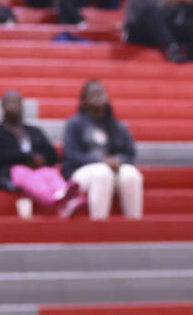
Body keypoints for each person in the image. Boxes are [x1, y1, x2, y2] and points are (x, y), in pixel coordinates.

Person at [61, 80, 143, 219]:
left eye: (100, 93)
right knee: (102, 173)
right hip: (83, 171)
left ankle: (134, 225)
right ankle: (99, 226)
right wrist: (100, 161)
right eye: (92, 94)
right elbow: (71, 155)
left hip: (114, 169)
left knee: (132, 175)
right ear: (84, 100)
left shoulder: (117, 125)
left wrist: (118, 160)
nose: (97, 96)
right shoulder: (75, 123)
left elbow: (130, 154)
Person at [0, 90, 80, 216]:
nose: (13, 106)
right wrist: (27, 157)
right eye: (9, 102)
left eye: (17, 102)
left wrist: (42, 159)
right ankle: (54, 201)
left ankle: (66, 197)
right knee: (22, 172)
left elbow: (53, 155)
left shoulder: (34, 131)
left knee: (50, 172)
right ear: (2, 106)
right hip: (10, 174)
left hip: (37, 171)